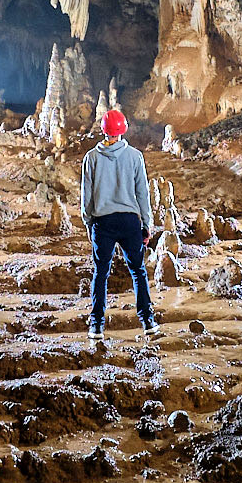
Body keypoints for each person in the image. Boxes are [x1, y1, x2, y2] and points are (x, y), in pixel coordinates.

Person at [80, 109, 157, 342]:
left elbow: (86, 199)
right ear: (123, 130)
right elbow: (142, 194)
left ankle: (96, 325)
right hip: (129, 221)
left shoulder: (91, 158)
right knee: (138, 272)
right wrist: (147, 224)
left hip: (103, 222)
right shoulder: (135, 156)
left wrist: (89, 224)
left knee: (101, 273)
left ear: (103, 130)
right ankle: (148, 321)